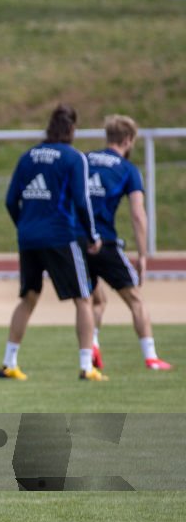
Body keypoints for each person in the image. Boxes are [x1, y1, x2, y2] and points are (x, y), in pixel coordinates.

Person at [0, 104, 105, 382]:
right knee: (84, 298)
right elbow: (82, 202)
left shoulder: (27, 157)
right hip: (60, 236)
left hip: (28, 237)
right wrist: (93, 236)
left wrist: (24, 225)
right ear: (72, 129)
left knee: (29, 297)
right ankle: (86, 366)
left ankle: (9, 363)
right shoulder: (74, 158)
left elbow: (11, 201)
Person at [86, 114, 172, 371]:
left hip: (79, 242)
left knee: (96, 300)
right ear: (127, 140)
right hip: (106, 243)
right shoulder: (127, 169)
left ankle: (92, 346)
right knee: (135, 299)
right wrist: (143, 255)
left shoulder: (85, 160)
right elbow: (137, 213)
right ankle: (151, 356)